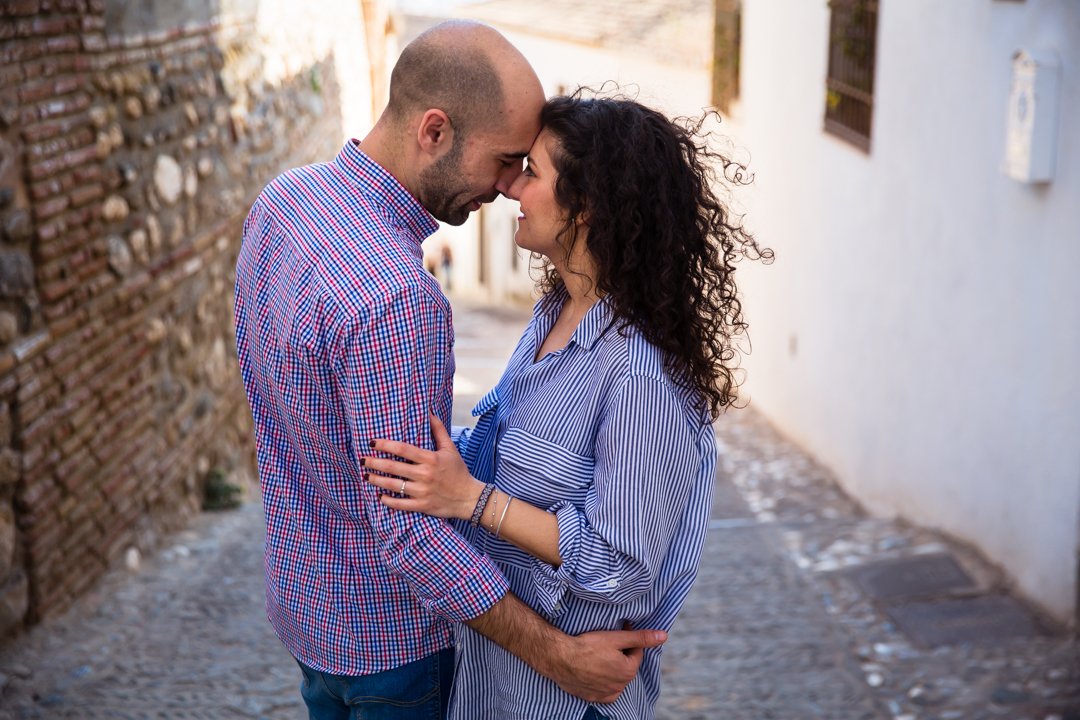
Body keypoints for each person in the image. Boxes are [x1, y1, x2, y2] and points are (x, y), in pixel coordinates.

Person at [233, 24, 665, 720]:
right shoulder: (397, 296)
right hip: (394, 657)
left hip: (306, 616)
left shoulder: (283, 203)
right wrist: (558, 656)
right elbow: (410, 530)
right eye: (503, 161)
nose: (506, 187)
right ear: (434, 131)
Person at [363, 91, 773, 719]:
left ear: (584, 206)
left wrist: (472, 499)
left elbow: (622, 561)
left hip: (568, 701)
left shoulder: (642, 375)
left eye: (533, 172)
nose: (512, 189)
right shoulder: (551, 318)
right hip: (489, 686)